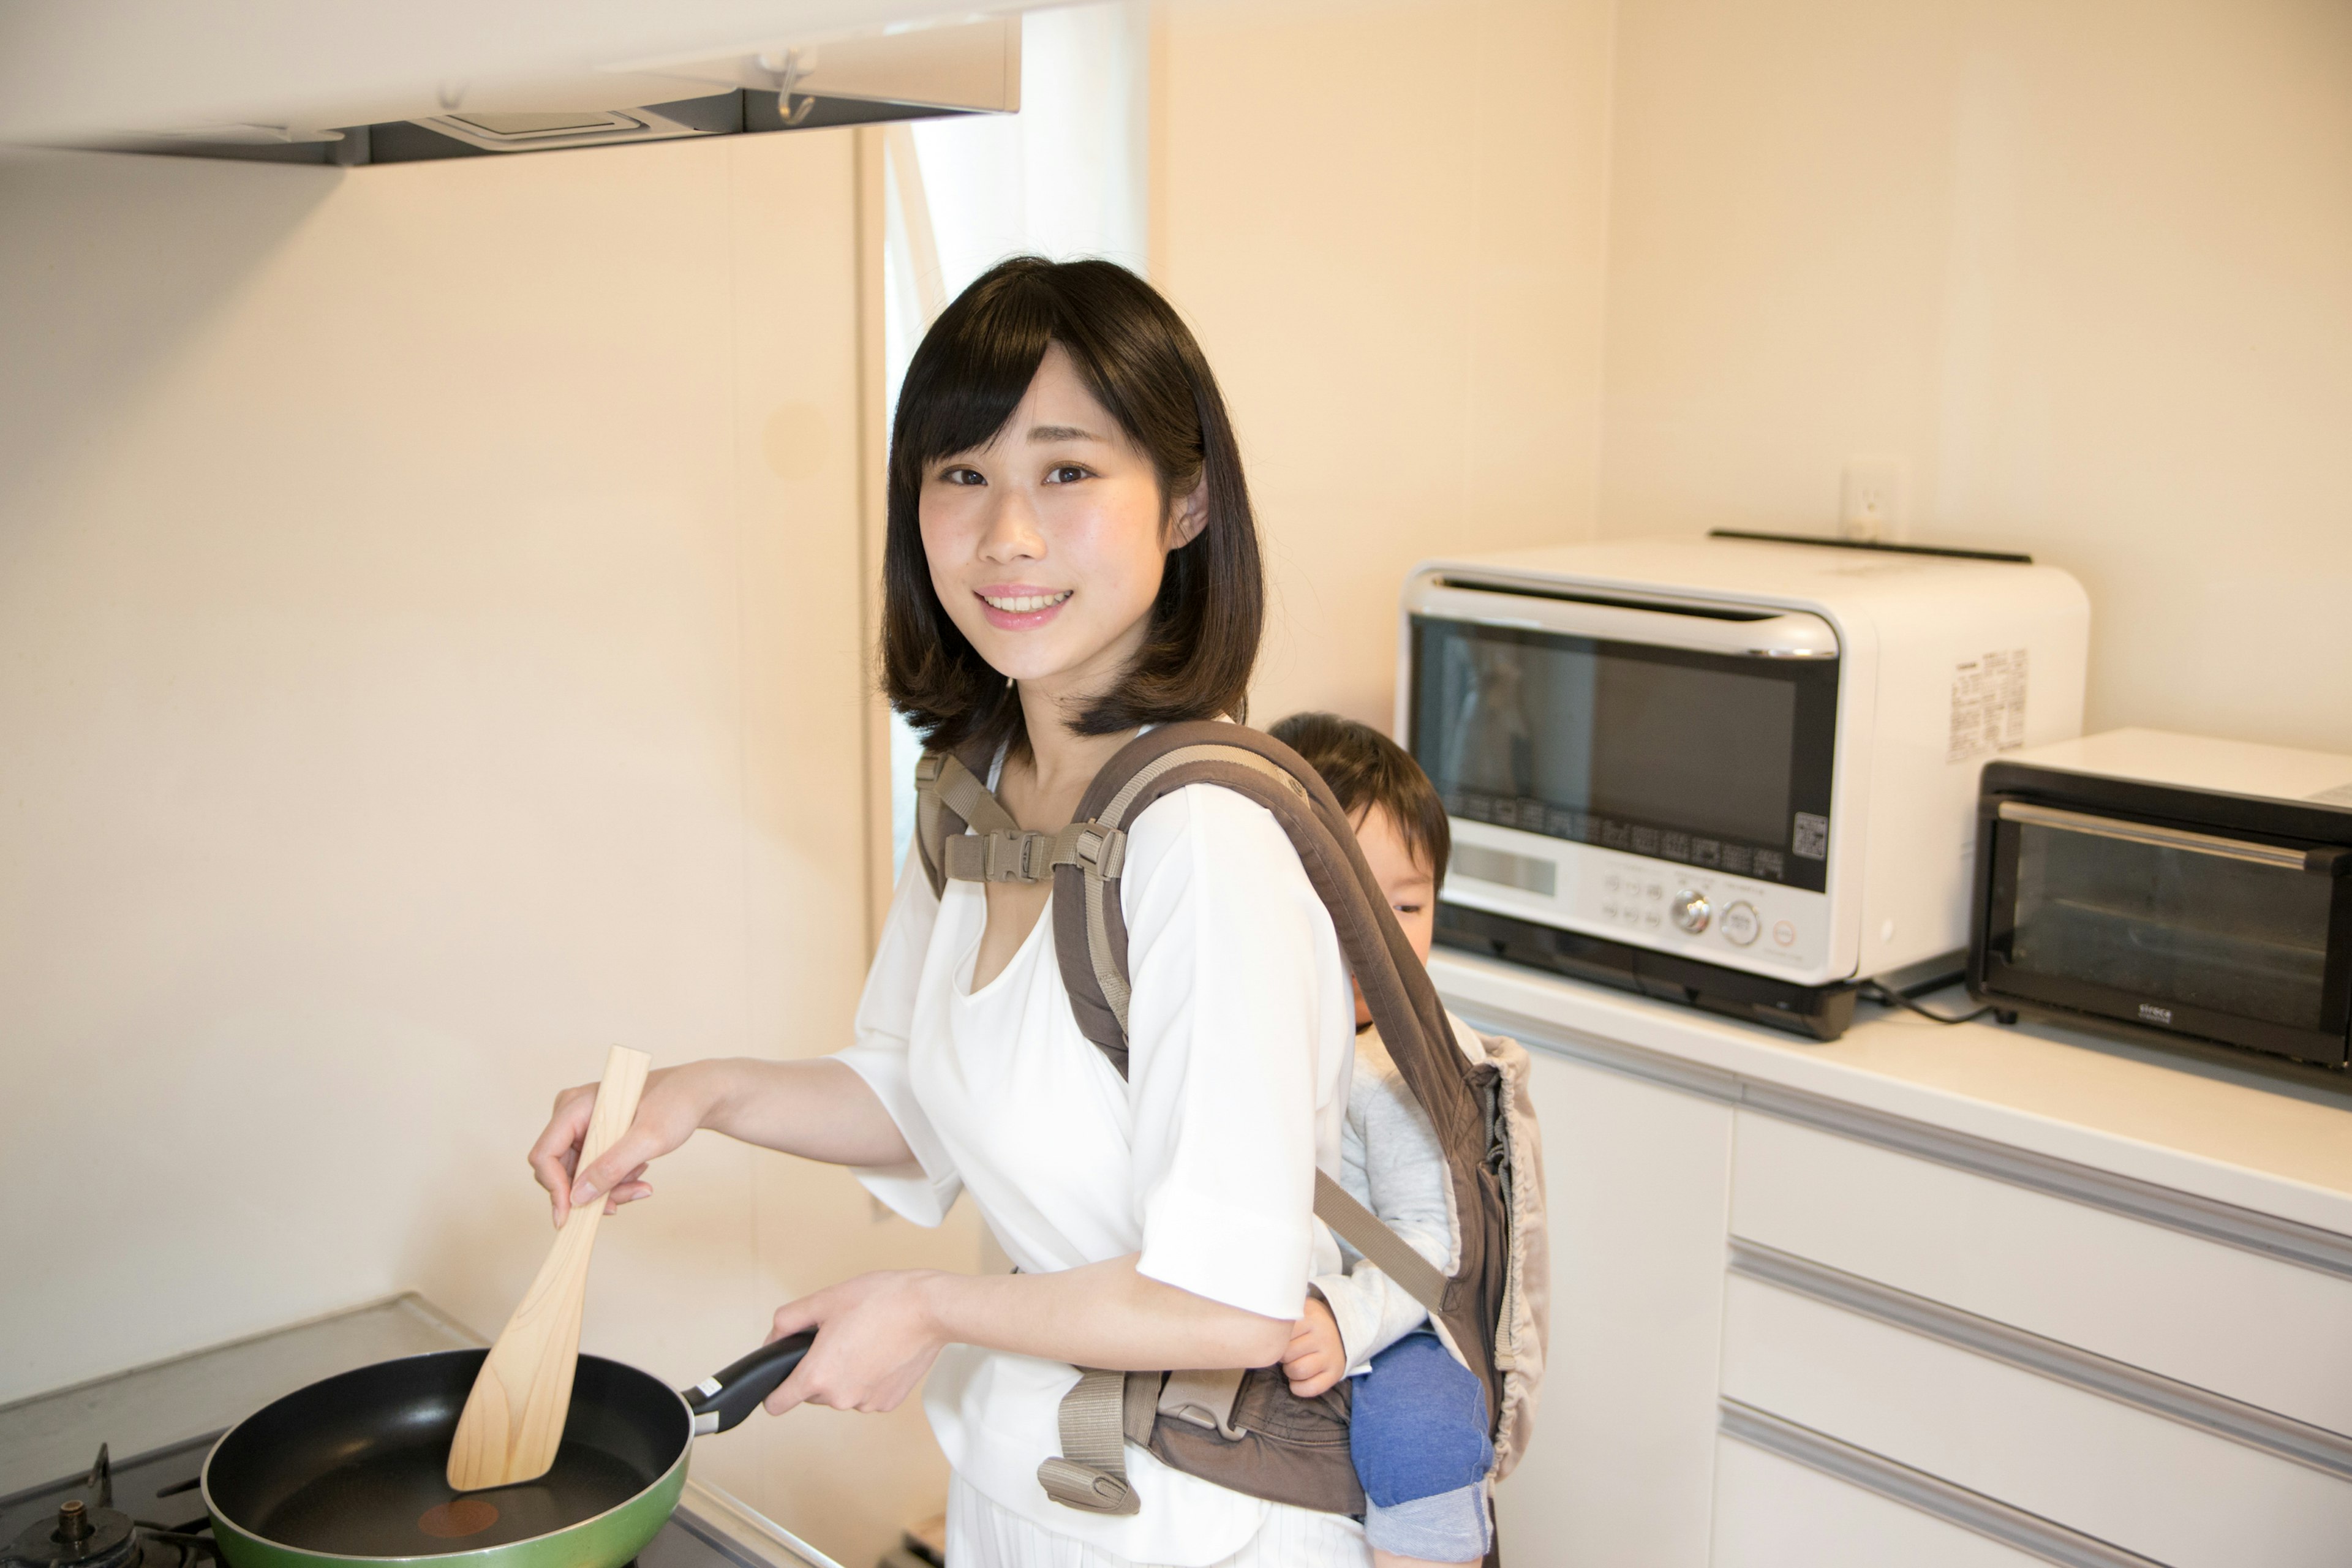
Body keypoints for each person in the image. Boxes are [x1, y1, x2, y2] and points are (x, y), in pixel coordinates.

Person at [526, 258, 1368, 1567]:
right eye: (961, 474)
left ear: (1189, 500)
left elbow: (1233, 1298)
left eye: (1069, 471)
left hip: (1202, 1527)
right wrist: (697, 1094)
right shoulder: (977, 794)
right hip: (1021, 1491)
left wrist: (924, 1303)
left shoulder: (1204, 840)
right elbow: (925, 1093)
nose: (1006, 534)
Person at [1267, 712, 1494, 1568]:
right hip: (1259, 1298)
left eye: (1408, 904)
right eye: (1346, 904)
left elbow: (1429, 1249)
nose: (1383, 938)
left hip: (1391, 1322)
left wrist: (1342, 1314)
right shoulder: (1249, 1027)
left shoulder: (1396, 1068)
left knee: (1427, 1437)